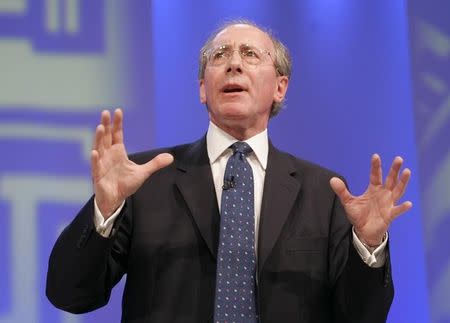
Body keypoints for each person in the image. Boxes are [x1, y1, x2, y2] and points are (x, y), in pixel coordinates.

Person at [46, 20, 412, 323]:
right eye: (220, 56)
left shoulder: (323, 192)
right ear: (203, 88)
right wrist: (104, 211)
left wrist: (367, 246)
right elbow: (70, 294)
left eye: (251, 55)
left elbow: (361, 316)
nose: (233, 64)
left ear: (280, 87)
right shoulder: (146, 181)